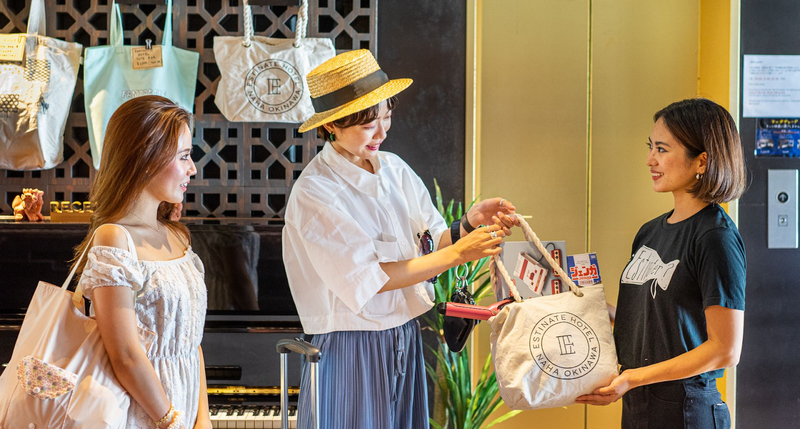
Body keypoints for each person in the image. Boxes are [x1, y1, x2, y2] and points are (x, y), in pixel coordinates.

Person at [282, 49, 518, 429]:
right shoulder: (316, 192)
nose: (382, 132)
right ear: (332, 125)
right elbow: (372, 279)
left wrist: (468, 224)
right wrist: (460, 253)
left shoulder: (394, 169)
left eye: (386, 116)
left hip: (404, 335)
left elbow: (430, 241)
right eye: (368, 124)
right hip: (351, 345)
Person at [576, 98, 747, 429]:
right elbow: (656, 321)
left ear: (702, 161)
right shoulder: (650, 232)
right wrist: (591, 307)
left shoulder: (716, 237)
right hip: (638, 404)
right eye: (650, 147)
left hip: (687, 409)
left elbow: (725, 350)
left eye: (662, 149)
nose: (650, 160)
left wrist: (634, 378)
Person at [72, 96, 210, 429]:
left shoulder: (177, 236)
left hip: (185, 407)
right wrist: (170, 421)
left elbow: (191, 341)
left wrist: (202, 419)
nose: (192, 168)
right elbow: (125, 355)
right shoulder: (114, 238)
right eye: (184, 156)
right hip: (141, 413)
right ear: (147, 158)